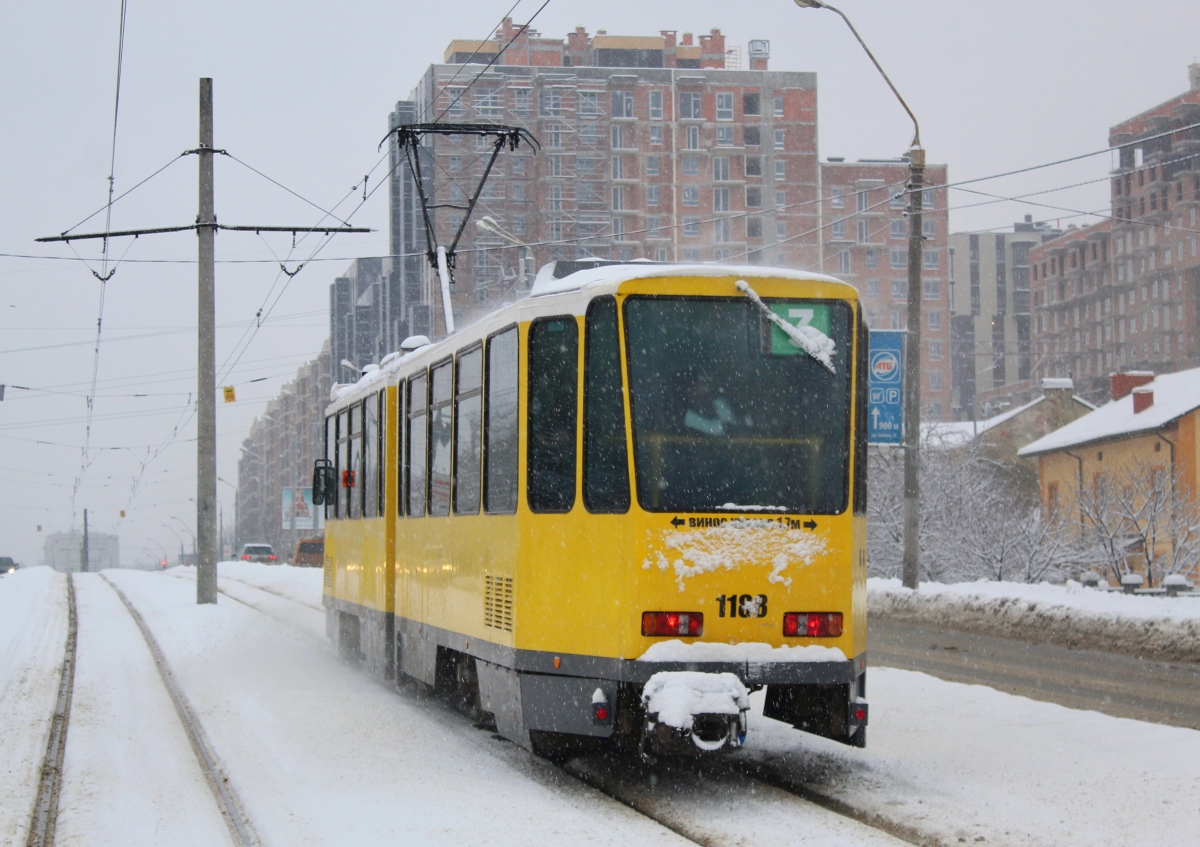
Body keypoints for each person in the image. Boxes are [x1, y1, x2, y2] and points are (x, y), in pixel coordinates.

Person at [683, 370, 735, 436]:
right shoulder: (685, 411)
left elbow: (731, 426)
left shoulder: (718, 403)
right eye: (701, 383)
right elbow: (712, 429)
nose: (705, 387)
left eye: (707, 383)